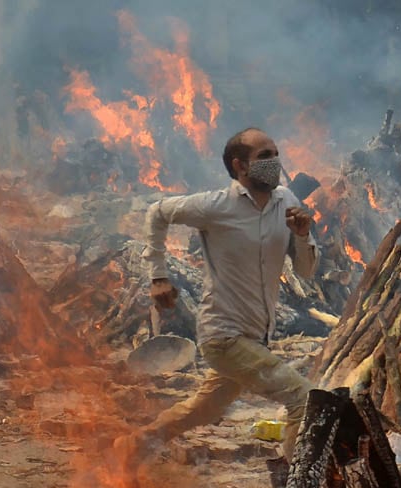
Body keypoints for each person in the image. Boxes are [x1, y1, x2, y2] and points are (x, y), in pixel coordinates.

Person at [117, 127, 319, 468]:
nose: (274, 162)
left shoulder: (286, 201)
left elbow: (306, 271)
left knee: (203, 409)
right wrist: (158, 276)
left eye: (275, 154)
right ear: (240, 167)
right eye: (264, 157)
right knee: (304, 398)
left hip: (256, 336)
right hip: (223, 335)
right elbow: (158, 212)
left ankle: (134, 446)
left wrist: (302, 236)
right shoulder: (217, 206)